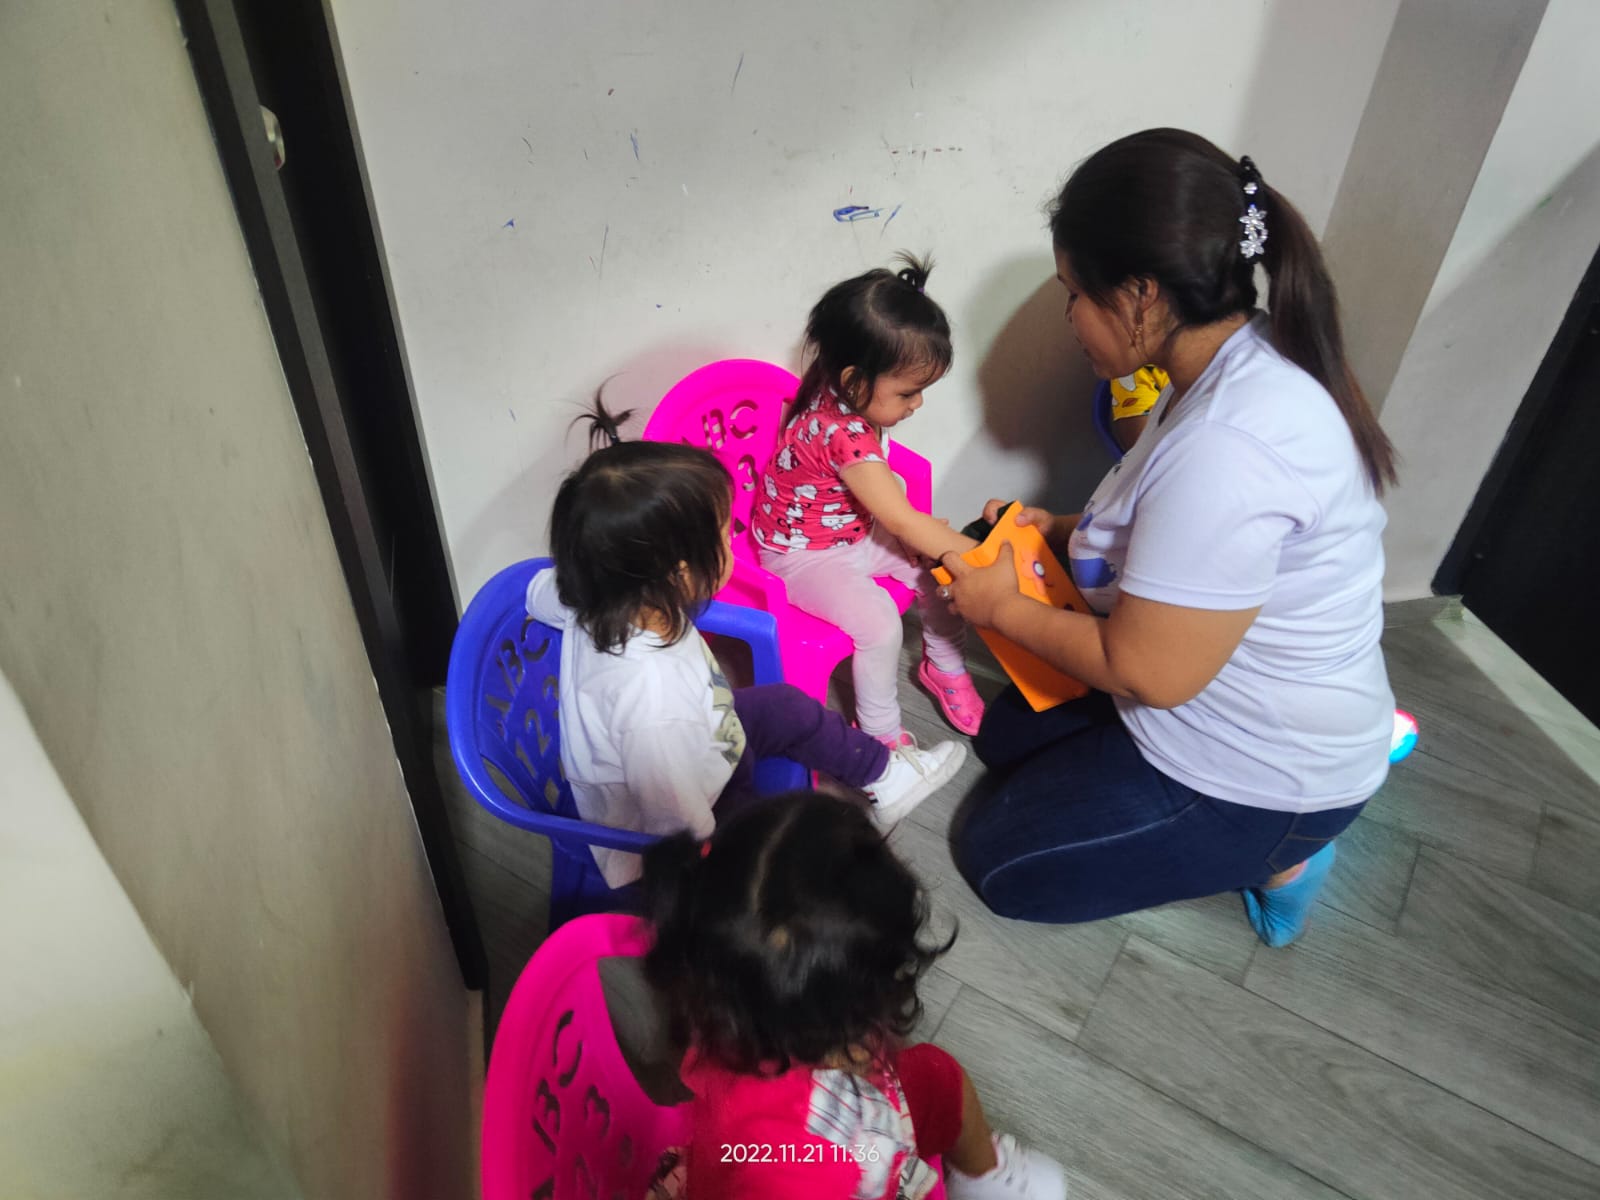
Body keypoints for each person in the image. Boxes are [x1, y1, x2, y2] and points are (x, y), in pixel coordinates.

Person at [939, 129, 1398, 947]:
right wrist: (1062, 529)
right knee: (1004, 737)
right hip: (1197, 679)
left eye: (1073, 294)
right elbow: (1169, 526)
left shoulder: (1231, 447)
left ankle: (1287, 859)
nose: (1070, 319)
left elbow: (1147, 672)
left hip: (1263, 768)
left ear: (1142, 297)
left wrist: (1001, 609)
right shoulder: (1228, 361)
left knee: (1000, 860)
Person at [525, 396, 965, 888]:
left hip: (707, 734)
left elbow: (535, 592)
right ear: (680, 573)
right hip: (678, 824)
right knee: (780, 843)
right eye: (722, 536)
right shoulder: (655, 704)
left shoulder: (599, 591)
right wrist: (728, 858)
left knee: (785, 705)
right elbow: (678, 824)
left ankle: (887, 777)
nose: (732, 545)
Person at [640, 793, 1067, 1200]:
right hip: (837, 1165)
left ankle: (984, 1176)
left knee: (943, 1079)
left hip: (827, 1112)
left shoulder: (724, 992)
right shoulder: (793, 1168)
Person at [750, 256, 986, 743]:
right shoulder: (843, 432)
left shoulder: (843, 390)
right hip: (803, 556)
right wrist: (977, 554)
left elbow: (884, 500)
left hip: (850, 530)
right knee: (880, 625)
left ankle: (943, 665)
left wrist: (933, 544)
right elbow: (900, 518)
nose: (917, 403)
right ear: (855, 378)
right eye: (908, 393)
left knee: (934, 572)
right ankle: (880, 734)